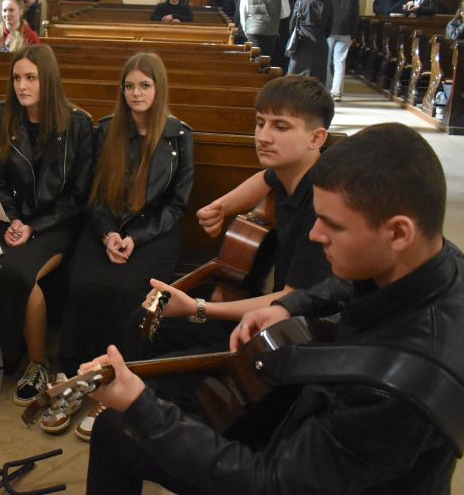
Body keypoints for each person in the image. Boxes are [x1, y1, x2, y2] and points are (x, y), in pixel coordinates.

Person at [85, 122, 464, 494]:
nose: (315, 234)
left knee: (120, 429)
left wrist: (142, 409)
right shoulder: (440, 260)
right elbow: (347, 283)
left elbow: (269, 483)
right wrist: (289, 305)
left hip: (315, 469)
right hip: (334, 428)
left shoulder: (394, 393)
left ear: (398, 232)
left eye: (333, 224)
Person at [131, 76, 333, 368]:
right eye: (260, 123)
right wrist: (221, 207)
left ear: (317, 138)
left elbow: (293, 299)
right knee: (143, 320)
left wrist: (198, 307)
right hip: (260, 306)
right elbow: (265, 179)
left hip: (287, 333)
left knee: (166, 365)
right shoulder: (289, 171)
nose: (263, 137)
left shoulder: (322, 205)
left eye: (280, 127)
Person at [52, 52, 193, 439]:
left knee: (129, 289)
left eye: (145, 85)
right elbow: (95, 196)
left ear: (158, 88)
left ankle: (116, 381)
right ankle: (73, 375)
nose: (136, 93)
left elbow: (177, 205)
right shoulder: (106, 130)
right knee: (83, 282)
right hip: (107, 227)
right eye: (129, 86)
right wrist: (109, 235)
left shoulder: (179, 136)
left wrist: (136, 238)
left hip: (155, 234)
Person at [0, 45, 93, 406]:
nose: (22, 86)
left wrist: (34, 227)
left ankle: (38, 362)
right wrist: (13, 218)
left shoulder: (78, 124)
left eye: (31, 78)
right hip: (9, 218)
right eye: (17, 78)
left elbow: (77, 196)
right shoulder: (4, 115)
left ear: (48, 80)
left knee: (21, 273)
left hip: (56, 223)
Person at [239, 0, 290, 67]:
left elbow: (243, 11)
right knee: (266, 63)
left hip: (252, 30)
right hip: (270, 30)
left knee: (253, 62)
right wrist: (274, 17)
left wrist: (245, 28)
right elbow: (286, 12)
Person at [287, 0, 334, 82]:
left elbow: (292, 25)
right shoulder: (328, 3)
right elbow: (329, 27)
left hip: (302, 42)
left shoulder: (302, 2)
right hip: (320, 43)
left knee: (296, 77)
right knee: (317, 78)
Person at [324, 0, 360, 101]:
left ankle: (326, 90)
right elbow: (356, 14)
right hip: (346, 30)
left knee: (326, 61)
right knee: (340, 62)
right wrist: (354, 34)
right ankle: (337, 92)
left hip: (329, 29)